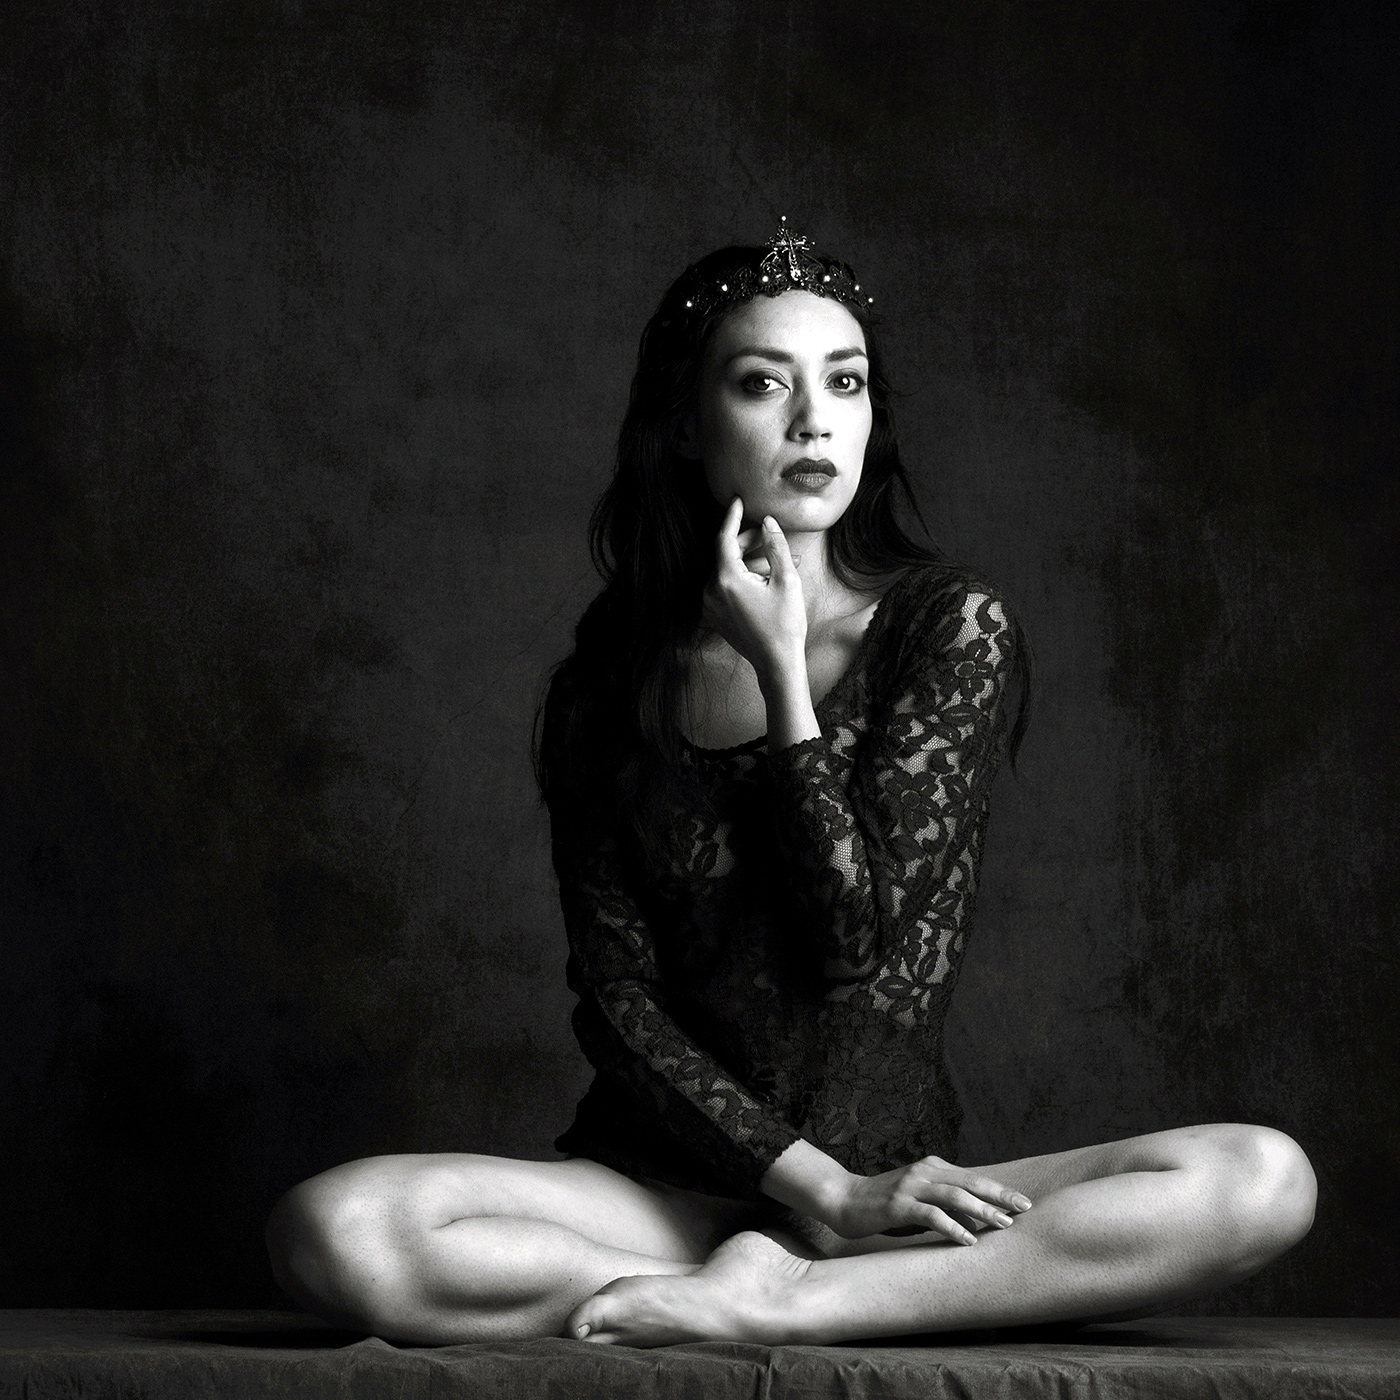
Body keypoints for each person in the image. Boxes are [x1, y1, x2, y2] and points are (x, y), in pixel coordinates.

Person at [265, 221, 1316, 1347]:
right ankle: (739, 1278)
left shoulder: (946, 626)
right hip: (673, 1183)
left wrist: (781, 675)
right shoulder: (606, 684)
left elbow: (850, 939)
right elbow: (619, 1003)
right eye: (763, 382)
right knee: (338, 1227)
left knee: (1261, 1178)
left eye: (846, 383)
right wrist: (804, 1186)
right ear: (683, 424)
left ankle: (782, 1299)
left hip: (887, 1182)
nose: (814, 418)